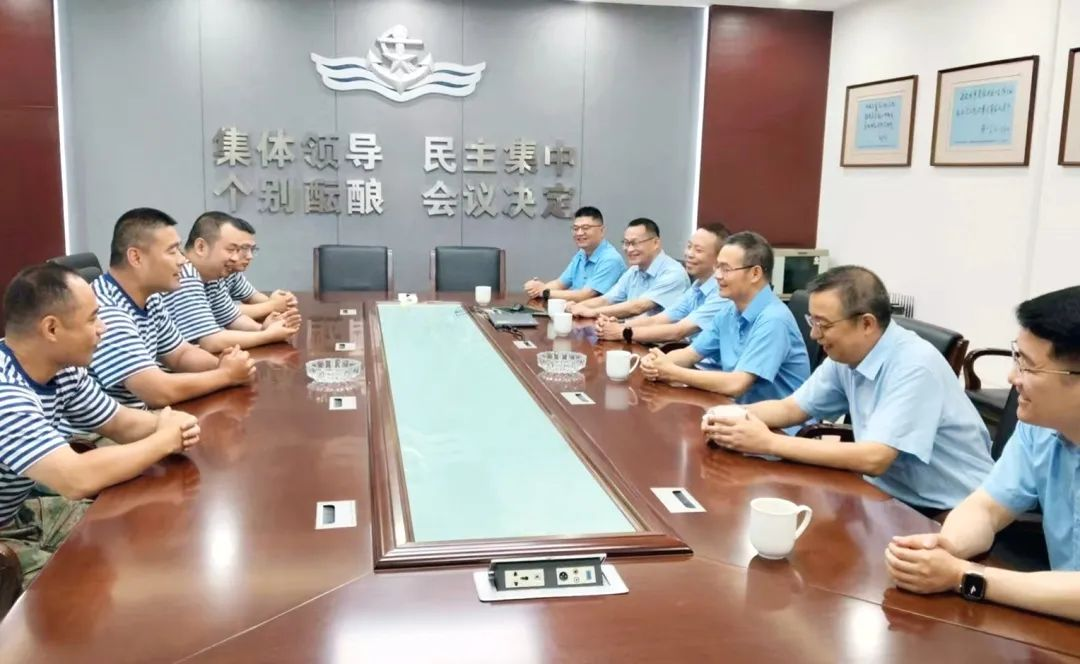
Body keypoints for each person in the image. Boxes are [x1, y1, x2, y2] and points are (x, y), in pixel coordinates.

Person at [703, 265, 993, 514]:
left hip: (947, 510)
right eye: (812, 321)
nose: (814, 335)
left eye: (823, 324)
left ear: (866, 323)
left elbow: (875, 458)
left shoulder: (915, 366)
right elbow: (791, 408)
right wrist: (727, 415)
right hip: (884, 495)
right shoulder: (847, 356)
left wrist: (767, 442)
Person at [885, 286, 1080, 622]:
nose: (1012, 377)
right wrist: (946, 547)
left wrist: (964, 576)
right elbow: (987, 508)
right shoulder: (1040, 428)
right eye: (1017, 358)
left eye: (1029, 367)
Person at [0, 263, 200, 586]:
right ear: (51, 329)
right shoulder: (6, 393)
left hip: (18, 512)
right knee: (75, 586)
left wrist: (171, 424)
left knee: (125, 534)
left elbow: (119, 422)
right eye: (92, 318)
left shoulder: (62, 369)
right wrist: (163, 439)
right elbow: (76, 478)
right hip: (5, 537)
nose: (102, 328)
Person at [89, 207, 255, 409]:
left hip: (144, 415)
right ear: (136, 258)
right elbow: (158, 392)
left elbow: (180, 354)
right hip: (115, 425)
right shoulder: (105, 312)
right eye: (172, 251)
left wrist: (224, 365)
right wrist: (225, 375)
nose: (182, 260)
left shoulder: (149, 298)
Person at [641, 231, 809, 406]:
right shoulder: (729, 311)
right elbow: (690, 354)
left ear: (755, 273)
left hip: (774, 420)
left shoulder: (773, 319)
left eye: (726, 269)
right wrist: (657, 362)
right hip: (736, 409)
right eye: (717, 267)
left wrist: (672, 372)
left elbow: (737, 384)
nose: (717, 276)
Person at [164, 211, 301, 353]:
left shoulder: (212, 276)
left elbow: (232, 318)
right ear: (201, 247)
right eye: (231, 249)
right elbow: (211, 341)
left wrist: (264, 328)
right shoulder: (185, 274)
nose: (236, 258)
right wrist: (267, 335)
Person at [595, 224, 730, 346]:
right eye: (689, 247)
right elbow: (659, 319)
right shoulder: (697, 287)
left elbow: (678, 331)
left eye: (698, 250)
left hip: (703, 361)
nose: (689, 254)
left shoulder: (722, 293)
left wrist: (622, 332)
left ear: (719, 258)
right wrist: (619, 325)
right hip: (688, 354)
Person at [566, 218, 689, 319]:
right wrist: (577, 307)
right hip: (631, 334)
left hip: (661, 341)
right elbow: (606, 300)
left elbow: (637, 307)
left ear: (655, 243)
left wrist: (592, 312)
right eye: (626, 243)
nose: (629, 249)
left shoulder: (673, 273)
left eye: (635, 243)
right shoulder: (634, 270)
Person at [523, 206, 625, 303]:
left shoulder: (611, 259)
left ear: (602, 231)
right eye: (576, 228)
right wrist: (536, 288)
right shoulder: (582, 254)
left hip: (600, 314)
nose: (579, 233)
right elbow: (560, 283)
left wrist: (544, 292)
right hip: (576, 310)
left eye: (585, 228)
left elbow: (585, 295)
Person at [220, 216, 298, 322]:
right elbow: (223, 312)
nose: (250, 256)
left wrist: (283, 302)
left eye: (252, 249)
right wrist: (273, 305)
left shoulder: (232, 272)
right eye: (244, 248)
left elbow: (251, 296)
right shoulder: (203, 275)